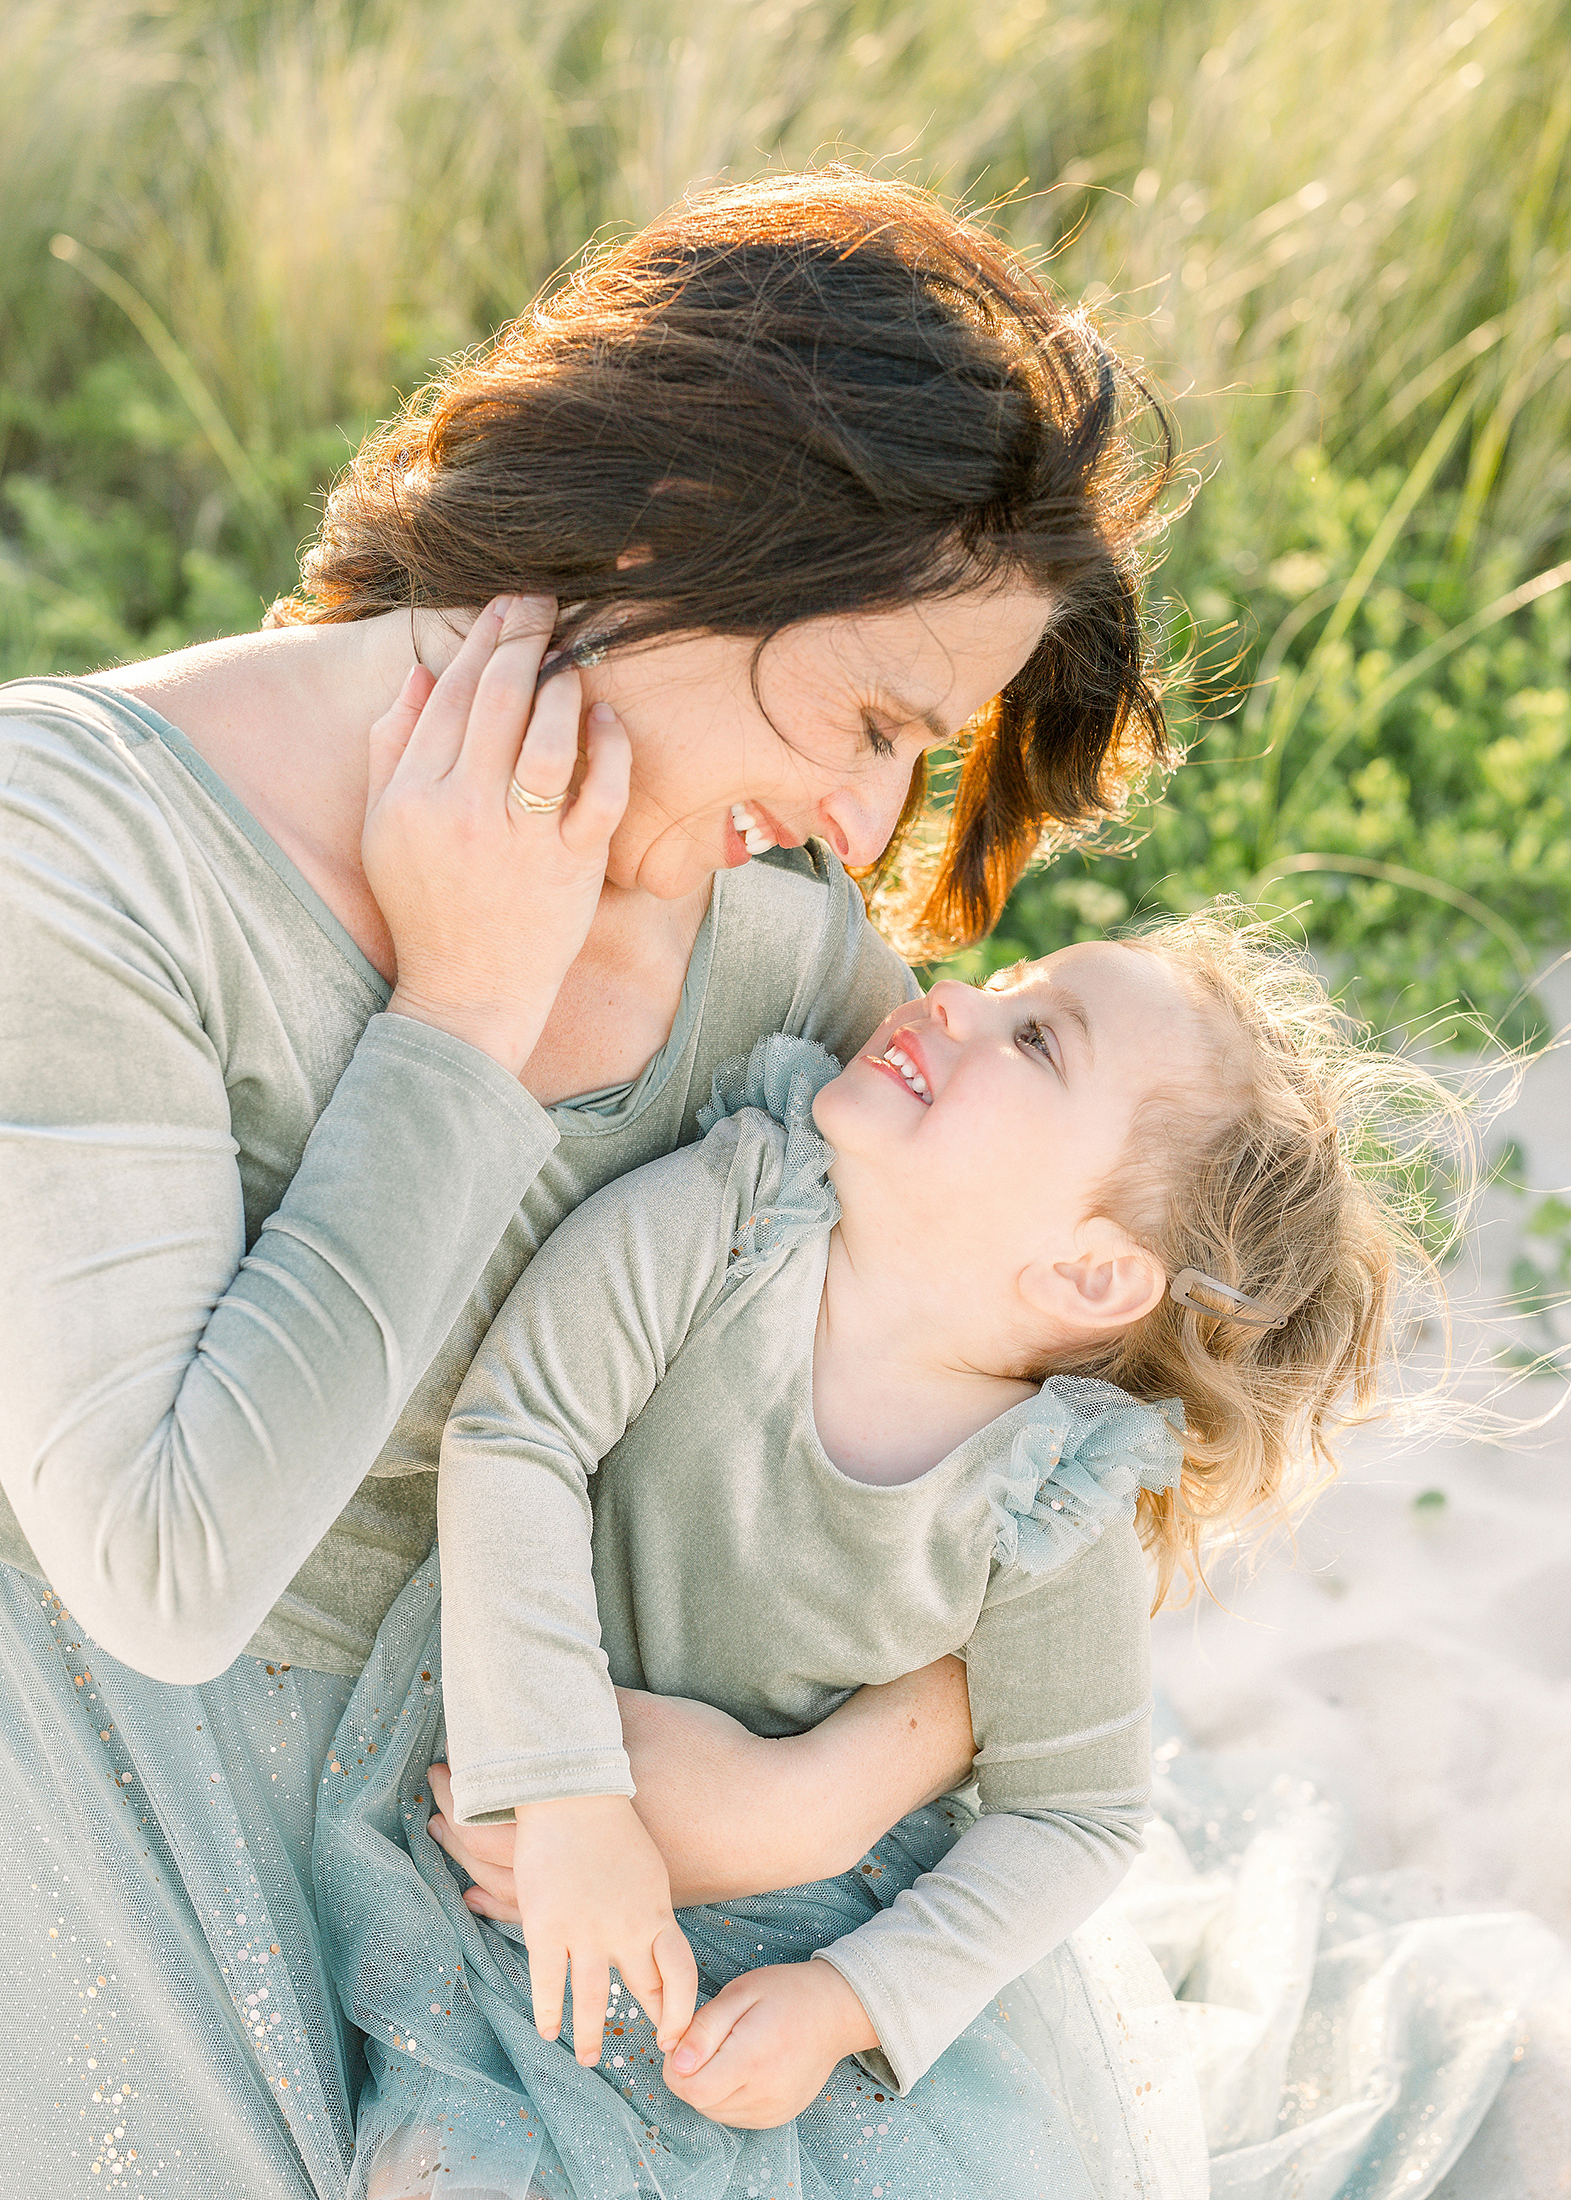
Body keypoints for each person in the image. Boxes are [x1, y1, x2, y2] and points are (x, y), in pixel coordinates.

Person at [0, 172, 1177, 2197]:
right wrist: (458, 1014)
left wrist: (816, 1791)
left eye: (930, 750)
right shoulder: (74, 856)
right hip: (158, 1804)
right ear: (672, 532)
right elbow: (167, 1573)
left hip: (629, 1845)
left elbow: (1064, 1450)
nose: (865, 819)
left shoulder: (783, 945)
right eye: (873, 717)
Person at [314, 905, 1457, 2200]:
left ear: (1088, 1275)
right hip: (525, 1817)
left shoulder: (1044, 1491)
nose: (958, 995)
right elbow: (517, 1431)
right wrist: (572, 1800)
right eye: (1002, 980)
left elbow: (1077, 1812)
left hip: (787, 1936)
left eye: (1034, 1039)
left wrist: (846, 2003)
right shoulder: (739, 1213)